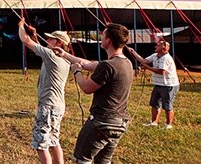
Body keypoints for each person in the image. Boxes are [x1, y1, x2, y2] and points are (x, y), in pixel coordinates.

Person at [53, 23, 133, 164]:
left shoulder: (108, 66)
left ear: (108, 40)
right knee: (103, 161)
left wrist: (76, 72)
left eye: (103, 35)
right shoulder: (125, 63)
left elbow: (87, 88)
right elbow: (87, 64)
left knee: (81, 160)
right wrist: (64, 54)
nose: (101, 37)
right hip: (120, 123)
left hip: (102, 122)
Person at [17, 19, 71, 164]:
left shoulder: (52, 56)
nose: (47, 40)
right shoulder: (63, 59)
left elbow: (26, 41)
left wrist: (21, 26)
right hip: (58, 106)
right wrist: (35, 36)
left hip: (48, 106)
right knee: (54, 140)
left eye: (50, 39)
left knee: (41, 144)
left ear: (59, 43)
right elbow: (39, 49)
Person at [127, 39, 180, 129]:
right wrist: (133, 52)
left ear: (164, 49)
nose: (156, 46)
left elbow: (162, 71)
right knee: (154, 103)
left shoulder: (166, 58)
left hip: (168, 85)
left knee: (167, 105)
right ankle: (154, 122)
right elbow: (144, 61)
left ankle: (168, 125)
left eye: (158, 45)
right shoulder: (155, 55)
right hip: (158, 84)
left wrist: (147, 67)